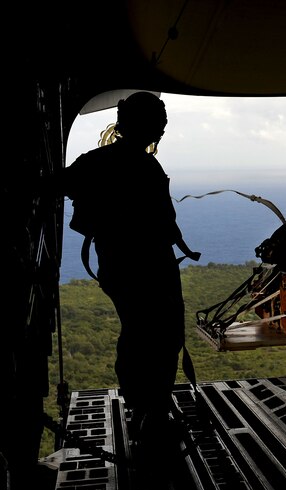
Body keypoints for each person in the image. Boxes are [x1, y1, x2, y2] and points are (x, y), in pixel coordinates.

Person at [63, 91, 200, 447]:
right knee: (158, 337)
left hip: (120, 265)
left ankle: (145, 409)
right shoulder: (142, 166)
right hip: (147, 265)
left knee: (140, 334)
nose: (162, 129)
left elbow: (59, 184)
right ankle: (150, 413)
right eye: (159, 122)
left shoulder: (97, 161)